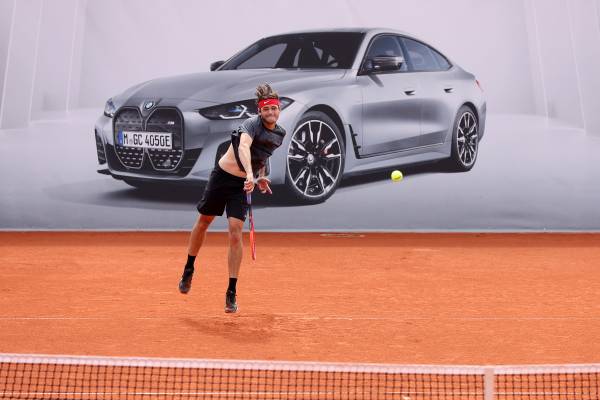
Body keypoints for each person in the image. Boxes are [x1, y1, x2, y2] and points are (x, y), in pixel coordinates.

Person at [178, 83, 286, 313]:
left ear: (279, 110)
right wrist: (250, 174)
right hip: (222, 177)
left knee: (235, 232)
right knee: (204, 221)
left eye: (274, 108)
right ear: (260, 111)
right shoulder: (251, 124)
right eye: (266, 109)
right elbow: (245, 147)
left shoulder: (279, 134)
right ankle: (189, 268)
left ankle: (231, 291)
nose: (270, 112)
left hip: (242, 186)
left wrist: (261, 177)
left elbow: (262, 155)